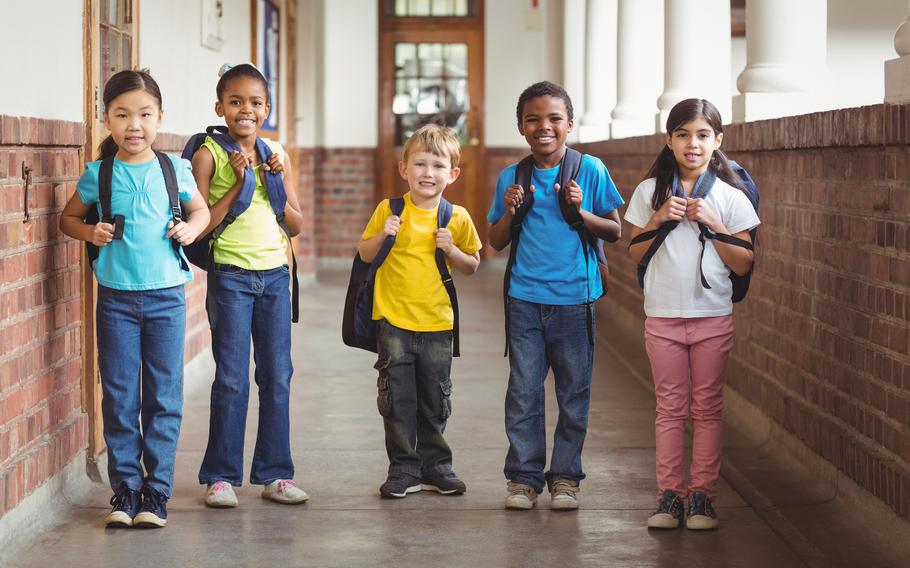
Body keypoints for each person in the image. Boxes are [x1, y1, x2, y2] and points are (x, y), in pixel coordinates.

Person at [60, 69, 210, 528]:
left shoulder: (174, 169)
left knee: (164, 396)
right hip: (116, 301)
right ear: (107, 118)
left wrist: (191, 227)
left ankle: (156, 491)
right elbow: (68, 219)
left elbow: (200, 210)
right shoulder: (98, 174)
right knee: (121, 395)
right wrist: (91, 231)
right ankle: (125, 489)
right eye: (122, 115)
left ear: (160, 116)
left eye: (145, 114)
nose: (134, 125)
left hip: (166, 299)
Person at [488, 81, 624, 510]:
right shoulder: (512, 177)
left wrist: (580, 210)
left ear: (569, 124)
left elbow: (615, 230)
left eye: (553, 119)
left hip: (575, 300)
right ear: (520, 127)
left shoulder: (591, 169)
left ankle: (565, 478)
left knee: (573, 393)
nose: (543, 127)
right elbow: (495, 241)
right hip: (525, 299)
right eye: (533, 119)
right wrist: (510, 212)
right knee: (524, 393)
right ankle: (524, 479)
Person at [625, 98, 760, 530]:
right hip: (662, 314)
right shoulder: (650, 193)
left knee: (707, 408)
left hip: (712, 316)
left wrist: (715, 226)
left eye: (702, 135)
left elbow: (744, 262)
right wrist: (661, 218)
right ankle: (669, 497)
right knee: (669, 408)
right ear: (669, 141)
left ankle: (702, 496)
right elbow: (635, 253)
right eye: (682, 134)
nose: (692, 143)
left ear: (718, 140)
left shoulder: (730, 195)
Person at [191, 63, 307, 507]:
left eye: (255, 102)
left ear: (267, 109)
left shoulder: (278, 153)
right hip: (232, 278)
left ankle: (276, 474)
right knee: (233, 378)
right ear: (219, 107)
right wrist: (240, 182)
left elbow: (295, 225)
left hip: (275, 277)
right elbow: (198, 228)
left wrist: (274, 182)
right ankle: (221, 476)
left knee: (277, 376)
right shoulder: (208, 154)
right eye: (235, 101)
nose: (246, 109)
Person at [358, 123, 482, 498]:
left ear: (453, 174)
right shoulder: (389, 209)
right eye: (420, 164)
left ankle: (437, 466)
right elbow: (365, 254)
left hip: (437, 322)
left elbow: (473, 264)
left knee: (435, 399)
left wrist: (452, 250)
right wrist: (385, 234)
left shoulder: (455, 217)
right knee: (397, 399)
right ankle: (403, 468)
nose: (429, 173)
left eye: (438, 166)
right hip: (393, 321)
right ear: (404, 169)